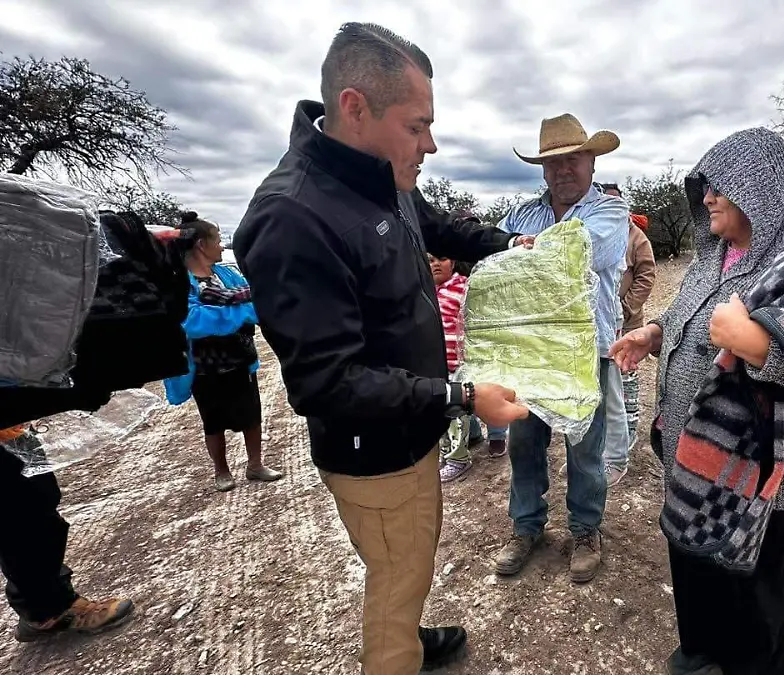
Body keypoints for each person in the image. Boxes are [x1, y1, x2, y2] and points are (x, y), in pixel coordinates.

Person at [232, 23, 530, 675]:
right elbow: (328, 383)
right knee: (397, 579)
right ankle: (400, 650)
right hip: (374, 454)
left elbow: (437, 223)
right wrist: (462, 396)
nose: (431, 143)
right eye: (418, 125)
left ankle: (413, 636)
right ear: (355, 106)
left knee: (406, 559)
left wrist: (508, 245)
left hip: (408, 430)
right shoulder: (291, 219)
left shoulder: (381, 173)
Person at [610, 128, 784, 674]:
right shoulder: (714, 257)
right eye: (703, 185)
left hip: (761, 474)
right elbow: (688, 320)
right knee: (696, 566)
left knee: (759, 599)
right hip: (694, 459)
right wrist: (652, 334)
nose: (706, 196)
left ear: (758, 189)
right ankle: (701, 654)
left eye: (719, 185)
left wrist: (749, 340)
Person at [492, 114, 628, 584]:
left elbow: (582, 257)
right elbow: (492, 263)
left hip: (584, 352)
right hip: (529, 352)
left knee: (584, 447)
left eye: (572, 159)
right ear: (542, 170)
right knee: (523, 443)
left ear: (591, 161)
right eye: (552, 163)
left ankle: (585, 530)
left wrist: (521, 256)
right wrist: (515, 258)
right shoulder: (520, 215)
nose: (562, 170)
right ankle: (526, 527)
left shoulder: (610, 212)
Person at [164, 212, 283, 492]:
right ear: (201, 245)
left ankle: (255, 465)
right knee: (212, 422)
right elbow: (192, 323)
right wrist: (237, 314)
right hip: (205, 367)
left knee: (252, 416)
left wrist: (226, 313)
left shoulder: (226, 274)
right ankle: (222, 471)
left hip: (240, 362)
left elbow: (258, 307)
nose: (221, 246)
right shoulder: (179, 282)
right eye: (217, 240)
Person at [1, 425, 135, 642]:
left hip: (10, 428)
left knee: (40, 504)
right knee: (17, 517)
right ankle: (47, 613)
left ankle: (44, 602)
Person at [598, 183, 655, 487]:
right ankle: (607, 442)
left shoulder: (636, 236)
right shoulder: (595, 231)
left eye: (615, 205)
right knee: (606, 384)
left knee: (627, 379)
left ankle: (628, 436)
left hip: (629, 324)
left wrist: (626, 305)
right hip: (601, 326)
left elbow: (647, 275)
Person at [430, 253, 476, 482]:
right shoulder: (425, 291)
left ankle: (459, 458)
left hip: (458, 363)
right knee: (439, 410)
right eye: (430, 260)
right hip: (434, 364)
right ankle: (446, 454)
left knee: (457, 412)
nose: (436, 264)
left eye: (442, 258)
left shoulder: (462, 287)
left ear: (454, 262)